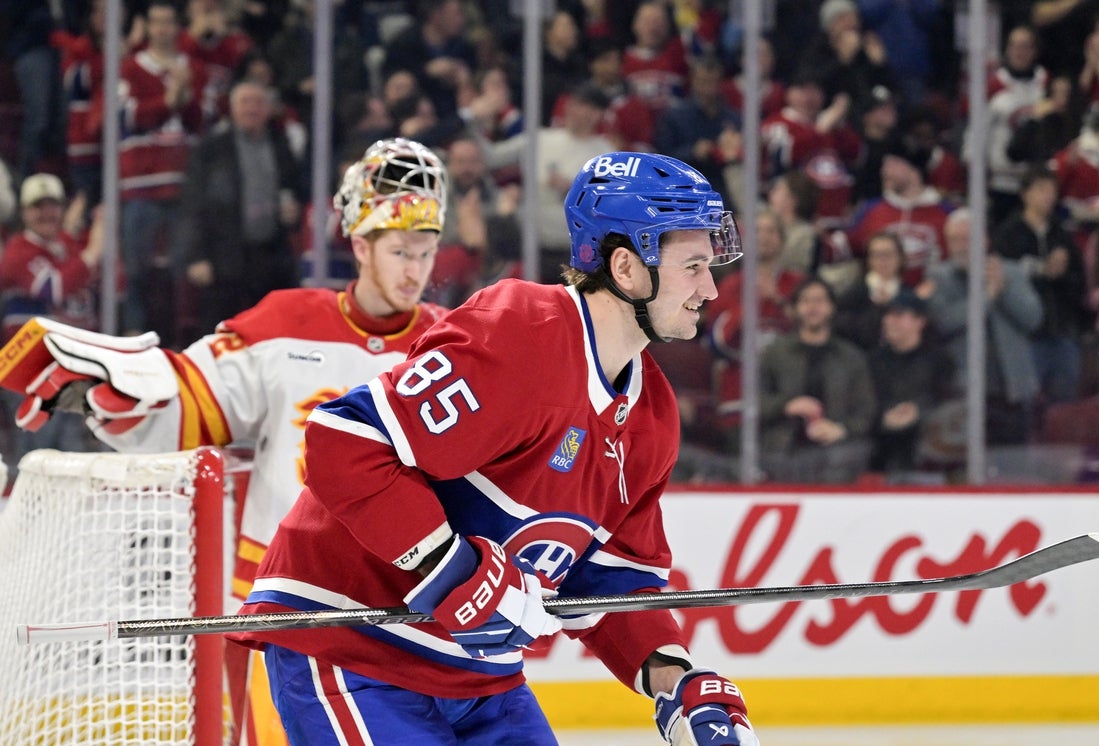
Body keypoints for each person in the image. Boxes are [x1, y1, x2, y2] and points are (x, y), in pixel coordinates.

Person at [228, 152, 758, 746]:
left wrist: (678, 684)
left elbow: (611, 582)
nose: (710, 288)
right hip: (354, 645)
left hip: (479, 677)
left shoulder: (652, 416)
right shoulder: (521, 333)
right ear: (627, 267)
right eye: (693, 266)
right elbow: (345, 441)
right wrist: (450, 569)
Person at [0, 138, 451, 746]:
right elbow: (194, 402)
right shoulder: (285, 325)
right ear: (361, 244)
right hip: (283, 601)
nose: (415, 271)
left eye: (425, 253)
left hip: (402, 601)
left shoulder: (451, 346)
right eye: (399, 251)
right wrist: (121, 392)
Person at [175, 79, 305, 337]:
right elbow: (193, 203)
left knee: (271, 331)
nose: (252, 108)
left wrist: (294, 211)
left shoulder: (280, 145)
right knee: (218, 332)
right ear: (232, 108)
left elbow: (296, 189)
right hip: (223, 257)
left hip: (270, 255)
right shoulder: (212, 148)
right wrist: (196, 255)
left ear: (268, 108)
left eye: (258, 102)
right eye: (245, 102)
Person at [0, 173, 105, 476]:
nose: (47, 213)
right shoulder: (18, 250)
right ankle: (21, 505)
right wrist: (91, 253)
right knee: (36, 453)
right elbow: (54, 287)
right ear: (24, 212)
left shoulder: (65, 246)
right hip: (27, 368)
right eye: (38, 206)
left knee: (70, 453)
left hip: (68, 365)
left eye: (53, 205)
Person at [926, 208, 1044, 444]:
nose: (960, 247)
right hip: (962, 391)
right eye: (953, 240)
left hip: (1011, 389)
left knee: (1013, 459)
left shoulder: (1010, 272)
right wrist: (988, 296)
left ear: (985, 241)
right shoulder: (939, 277)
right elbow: (944, 322)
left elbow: (1033, 319)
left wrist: (1004, 290)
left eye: (966, 239)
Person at [759, 275, 877, 483]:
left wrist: (840, 430)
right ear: (795, 308)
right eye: (806, 301)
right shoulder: (774, 354)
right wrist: (786, 405)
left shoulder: (851, 357)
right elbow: (755, 402)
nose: (813, 307)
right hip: (782, 450)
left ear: (832, 307)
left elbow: (866, 411)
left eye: (820, 300)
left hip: (837, 453)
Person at [867, 288, 956, 478]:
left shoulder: (940, 362)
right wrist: (883, 417)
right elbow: (862, 403)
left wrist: (918, 413)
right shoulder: (873, 361)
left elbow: (949, 402)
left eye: (898, 315)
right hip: (881, 446)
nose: (889, 321)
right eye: (888, 315)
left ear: (920, 321)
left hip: (927, 447)